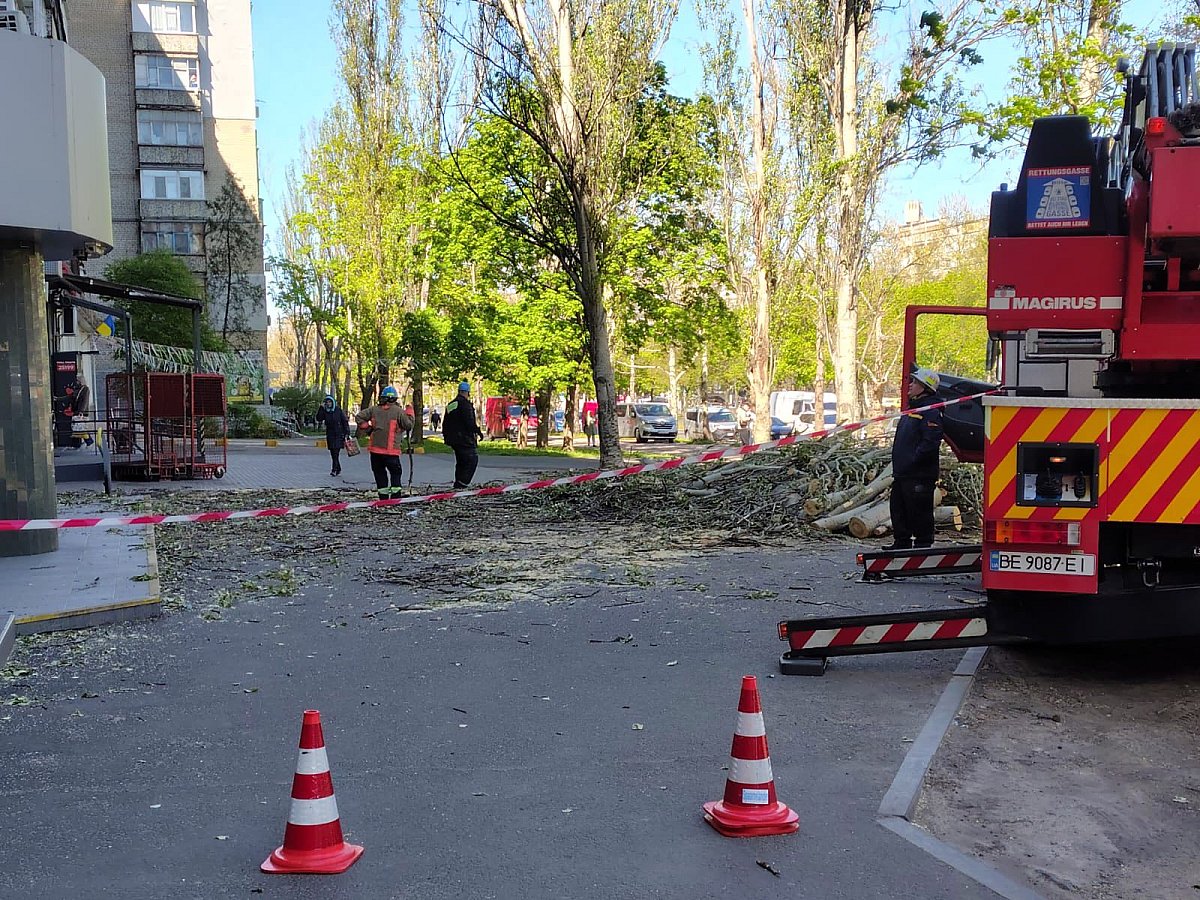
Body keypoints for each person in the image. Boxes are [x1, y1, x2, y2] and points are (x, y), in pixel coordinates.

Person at [886, 366, 945, 551]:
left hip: (918, 474)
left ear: (925, 387)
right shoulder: (913, 409)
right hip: (904, 473)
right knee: (898, 509)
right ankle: (901, 543)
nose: (910, 385)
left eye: (915, 382)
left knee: (919, 512)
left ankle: (922, 546)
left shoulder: (930, 411)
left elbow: (930, 442)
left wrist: (913, 461)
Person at [354, 385, 414, 499]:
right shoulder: (398, 411)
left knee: (380, 475)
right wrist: (410, 413)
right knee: (396, 474)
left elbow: (359, 417)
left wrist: (368, 429)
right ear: (395, 399)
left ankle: (383, 499)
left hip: (375, 451)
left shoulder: (374, 410)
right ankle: (395, 498)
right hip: (391, 452)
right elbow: (408, 425)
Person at [442, 380, 484, 488]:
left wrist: (446, 436)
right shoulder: (465, 404)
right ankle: (462, 483)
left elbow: (445, 422)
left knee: (461, 461)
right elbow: (469, 422)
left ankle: (459, 482)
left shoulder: (451, 404)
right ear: (467, 392)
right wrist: (478, 431)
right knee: (471, 459)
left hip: (453, 439)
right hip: (464, 438)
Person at [315, 394, 350, 477]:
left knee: (336, 452)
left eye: (330, 402)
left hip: (339, 433)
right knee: (332, 453)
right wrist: (321, 408)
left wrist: (347, 432)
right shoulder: (325, 411)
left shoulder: (338, 410)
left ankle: (334, 469)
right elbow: (319, 418)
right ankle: (338, 468)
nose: (328, 403)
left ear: (333, 402)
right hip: (330, 434)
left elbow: (344, 421)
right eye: (327, 402)